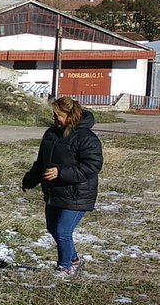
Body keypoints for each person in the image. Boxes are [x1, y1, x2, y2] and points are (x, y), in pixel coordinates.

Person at [22, 97, 103, 277]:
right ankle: (75, 259)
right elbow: (42, 161)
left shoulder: (87, 138)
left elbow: (92, 165)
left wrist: (61, 172)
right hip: (54, 192)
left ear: (70, 115)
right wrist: (30, 179)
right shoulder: (51, 134)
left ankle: (64, 267)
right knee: (53, 229)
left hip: (77, 194)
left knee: (62, 231)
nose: (54, 118)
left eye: (57, 114)